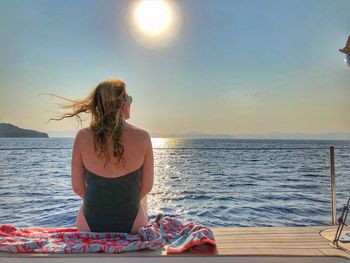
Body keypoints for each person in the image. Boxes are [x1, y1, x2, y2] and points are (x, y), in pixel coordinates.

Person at [50, 79, 154, 233]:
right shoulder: (143, 137)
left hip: (89, 225)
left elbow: (77, 187)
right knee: (143, 200)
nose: (131, 103)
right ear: (123, 103)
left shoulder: (82, 136)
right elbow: (147, 187)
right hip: (133, 225)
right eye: (129, 99)